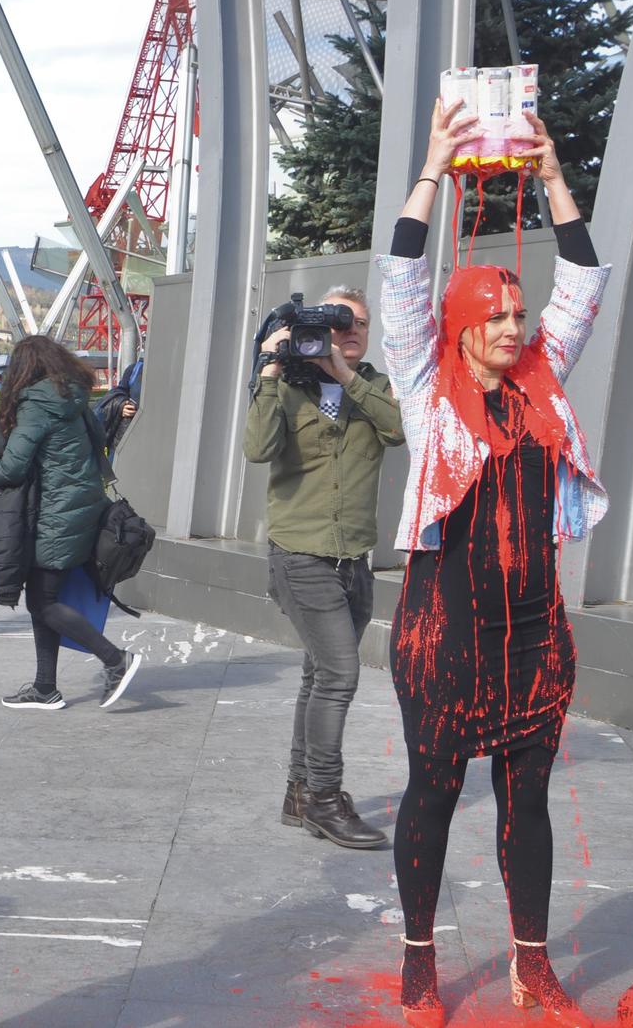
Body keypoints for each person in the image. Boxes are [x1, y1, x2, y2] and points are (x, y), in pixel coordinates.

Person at [380, 100, 608, 1028]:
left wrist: (552, 174)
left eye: (520, 312)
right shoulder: (424, 384)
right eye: (499, 314)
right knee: (432, 793)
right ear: (465, 325)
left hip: (533, 633)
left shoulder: (542, 380)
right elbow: (401, 276)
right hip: (445, 631)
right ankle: (420, 964)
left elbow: (586, 278)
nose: (516, 326)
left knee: (532, 800)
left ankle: (531, 965)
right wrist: (434, 168)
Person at [242, 286, 404, 849]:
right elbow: (258, 450)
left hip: (354, 560)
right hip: (301, 554)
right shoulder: (285, 386)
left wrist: (342, 371)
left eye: (357, 321)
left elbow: (400, 428)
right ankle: (325, 801)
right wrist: (267, 369)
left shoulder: (376, 387)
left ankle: (298, 790)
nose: (349, 329)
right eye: (336, 322)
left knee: (318, 674)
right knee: (339, 674)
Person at [0, 336, 142, 710]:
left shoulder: (37, 405)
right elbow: (98, 442)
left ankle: (116, 659)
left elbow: (12, 466)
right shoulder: (73, 397)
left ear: (24, 369)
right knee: (45, 597)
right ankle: (44, 687)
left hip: (55, 515)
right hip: (83, 508)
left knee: (42, 601)